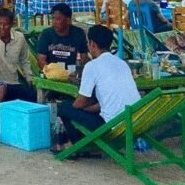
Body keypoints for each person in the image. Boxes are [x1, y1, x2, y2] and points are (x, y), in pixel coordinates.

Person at [54, 24, 140, 154]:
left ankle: (78, 146)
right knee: (88, 108)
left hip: (112, 125)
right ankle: (85, 145)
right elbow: (110, 98)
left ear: (92, 44)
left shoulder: (92, 66)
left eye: (88, 43)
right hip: (134, 120)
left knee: (65, 107)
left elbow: (80, 102)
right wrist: (89, 108)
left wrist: (81, 107)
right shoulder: (122, 64)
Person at [0, 8, 36, 102]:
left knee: (34, 97)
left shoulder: (19, 37)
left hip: (13, 82)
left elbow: (24, 61)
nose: (2, 27)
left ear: (12, 24)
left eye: (6, 24)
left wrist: (29, 78)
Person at [36, 3, 89, 69]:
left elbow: (84, 58)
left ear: (68, 21)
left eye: (58, 19)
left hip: (73, 73)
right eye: (53, 18)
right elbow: (41, 60)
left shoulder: (79, 34)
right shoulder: (46, 34)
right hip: (52, 75)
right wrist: (52, 73)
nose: (54, 22)